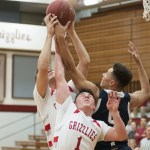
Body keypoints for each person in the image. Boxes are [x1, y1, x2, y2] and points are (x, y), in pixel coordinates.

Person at [54, 15, 150, 149]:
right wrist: (139, 63)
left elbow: (71, 68)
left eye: (106, 73)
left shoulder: (95, 93)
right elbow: (146, 91)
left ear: (112, 82)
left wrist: (62, 40)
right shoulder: (130, 100)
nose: (103, 74)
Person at [34, 14, 128, 149]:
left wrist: (71, 33)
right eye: (43, 73)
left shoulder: (71, 93)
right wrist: (53, 37)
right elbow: (44, 68)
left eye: (50, 68)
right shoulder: (46, 97)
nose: (86, 95)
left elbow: (85, 62)